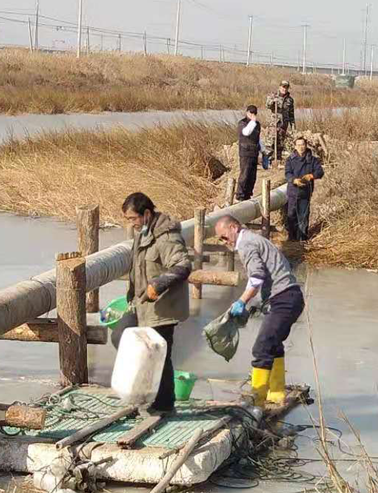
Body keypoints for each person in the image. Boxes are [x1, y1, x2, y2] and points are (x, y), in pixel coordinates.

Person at [113, 192, 192, 415]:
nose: (132, 224)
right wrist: (131, 297)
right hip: (142, 305)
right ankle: (144, 390)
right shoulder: (143, 233)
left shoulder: (166, 236)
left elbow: (183, 265)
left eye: (133, 218)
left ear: (146, 214)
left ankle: (164, 404)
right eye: (128, 220)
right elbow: (137, 268)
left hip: (163, 307)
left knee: (161, 354)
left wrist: (158, 284)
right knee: (120, 335)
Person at [214, 215, 304, 408]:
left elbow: (256, 278)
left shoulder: (246, 244)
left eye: (224, 236)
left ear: (234, 227)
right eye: (220, 239)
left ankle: (257, 400)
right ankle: (276, 393)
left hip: (284, 299)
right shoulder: (254, 240)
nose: (224, 242)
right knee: (273, 344)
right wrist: (254, 305)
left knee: (261, 348)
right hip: (290, 297)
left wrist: (241, 301)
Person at [284, 136, 324, 242]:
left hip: (305, 192)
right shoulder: (290, 160)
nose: (301, 147)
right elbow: (287, 173)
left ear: (306, 145)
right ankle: (292, 239)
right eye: (298, 145)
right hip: (293, 192)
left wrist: (311, 176)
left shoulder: (312, 160)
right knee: (291, 216)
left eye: (302, 145)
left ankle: (302, 240)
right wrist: (294, 180)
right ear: (295, 146)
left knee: (303, 217)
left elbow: (320, 172)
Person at [265, 80, 296, 162]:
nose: (284, 89)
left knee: (280, 145)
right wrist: (273, 101)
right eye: (283, 87)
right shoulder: (273, 95)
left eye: (286, 87)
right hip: (273, 124)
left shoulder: (290, 100)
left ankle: (277, 161)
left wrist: (293, 127)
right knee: (270, 144)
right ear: (280, 87)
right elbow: (267, 105)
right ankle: (266, 161)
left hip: (283, 125)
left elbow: (291, 114)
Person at [236, 105, 261, 201]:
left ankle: (248, 195)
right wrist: (252, 122)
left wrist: (263, 151)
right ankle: (240, 195)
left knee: (252, 176)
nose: (252, 115)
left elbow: (258, 138)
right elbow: (246, 132)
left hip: (254, 153)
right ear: (247, 112)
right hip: (245, 153)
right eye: (251, 113)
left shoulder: (257, 124)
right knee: (244, 174)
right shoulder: (242, 123)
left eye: (254, 113)